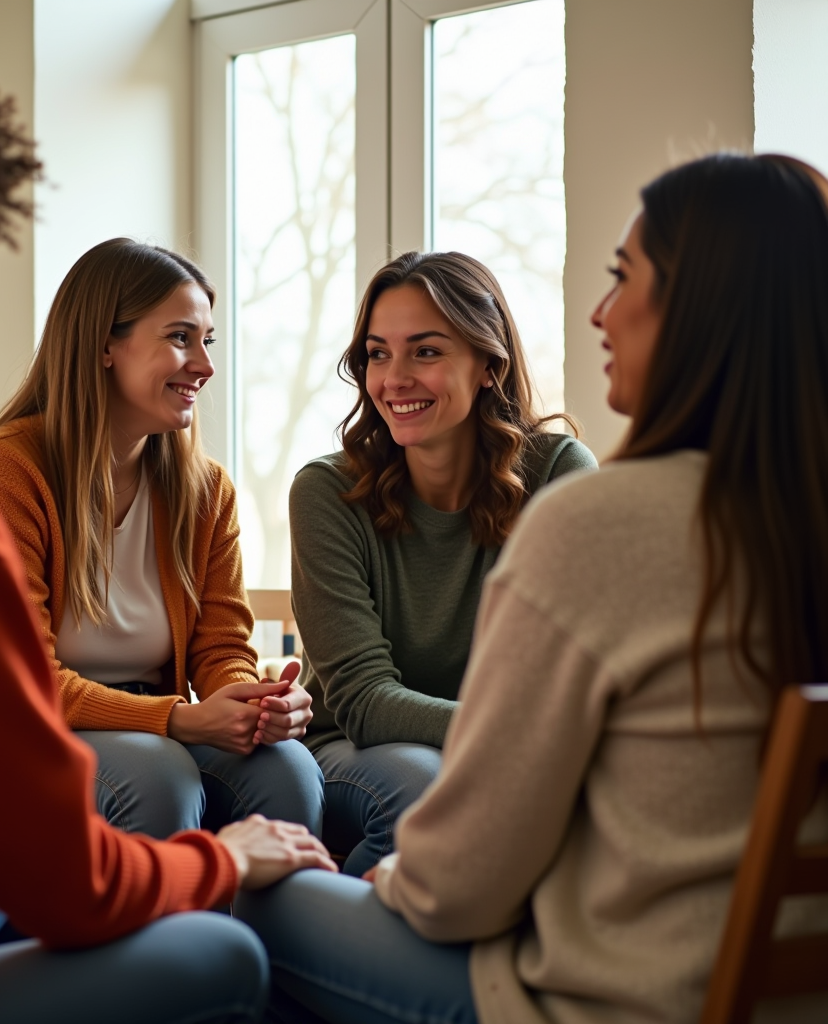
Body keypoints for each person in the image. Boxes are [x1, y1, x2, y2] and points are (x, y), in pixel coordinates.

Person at [0, 31, 334, 1024]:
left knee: (274, 774)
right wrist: (219, 857)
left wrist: (236, 701)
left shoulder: (198, 486)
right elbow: (67, 883)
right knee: (216, 950)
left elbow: (217, 644)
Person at [237, 152, 828, 1023]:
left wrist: (398, 876)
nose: (599, 311)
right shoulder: (789, 512)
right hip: (769, 989)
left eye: (625, 277)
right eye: (376, 355)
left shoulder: (599, 517)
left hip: (597, 994)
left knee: (239, 907)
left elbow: (460, 891)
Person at [0, 239, 324, 844]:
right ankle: (164, 940)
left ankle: (260, 941)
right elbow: (22, 678)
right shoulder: (7, 468)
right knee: (156, 779)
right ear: (104, 344)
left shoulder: (206, 490)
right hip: (35, 730)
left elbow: (219, 647)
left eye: (207, 341)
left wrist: (249, 700)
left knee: (288, 771)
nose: (205, 366)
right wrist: (178, 719)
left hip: (159, 723)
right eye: (180, 337)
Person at [290, 251, 596, 874]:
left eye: (425, 351)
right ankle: (334, 949)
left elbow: (571, 670)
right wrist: (519, 735)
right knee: (424, 785)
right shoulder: (326, 492)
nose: (393, 378)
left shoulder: (560, 474)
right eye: (378, 353)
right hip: (355, 748)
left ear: (488, 364)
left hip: (504, 751)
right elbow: (366, 701)